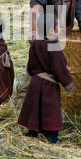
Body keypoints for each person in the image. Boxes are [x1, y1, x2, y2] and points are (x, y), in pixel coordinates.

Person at [18, 14, 74, 144]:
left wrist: (33, 74)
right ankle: (52, 137)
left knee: (34, 108)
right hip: (49, 86)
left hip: (35, 82)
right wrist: (68, 83)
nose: (60, 29)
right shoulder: (54, 45)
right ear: (50, 31)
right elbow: (59, 68)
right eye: (58, 27)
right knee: (51, 110)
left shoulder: (36, 43)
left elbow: (30, 64)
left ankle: (32, 132)